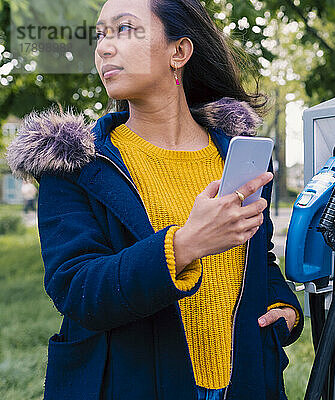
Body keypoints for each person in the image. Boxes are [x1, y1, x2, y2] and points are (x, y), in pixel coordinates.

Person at [5, 0, 304, 399]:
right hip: (128, 384)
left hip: (244, 383)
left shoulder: (236, 156)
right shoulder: (76, 164)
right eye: (100, 34)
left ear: (178, 52)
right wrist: (185, 245)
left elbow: (257, 256)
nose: (104, 48)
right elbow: (76, 289)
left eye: (124, 29)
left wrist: (284, 306)